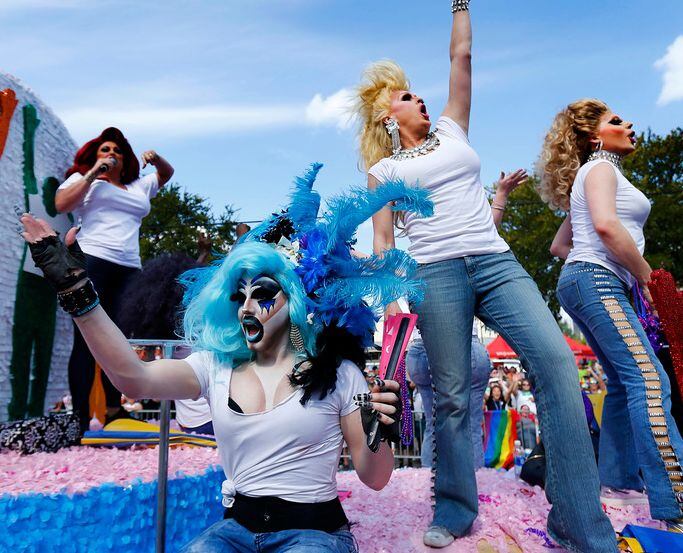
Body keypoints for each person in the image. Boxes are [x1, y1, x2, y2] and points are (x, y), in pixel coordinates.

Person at [19, 166, 430, 551]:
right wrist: (78, 295)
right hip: (235, 531)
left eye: (263, 293)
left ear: (295, 304)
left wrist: (380, 433)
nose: (248, 305)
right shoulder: (215, 366)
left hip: (314, 533)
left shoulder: (338, 375)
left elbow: (374, 479)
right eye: (240, 295)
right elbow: (134, 377)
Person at [354, 3, 616, 550]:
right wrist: (393, 307)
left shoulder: (452, 127)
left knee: (557, 363)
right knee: (451, 397)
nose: (417, 97)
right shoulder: (384, 171)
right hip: (436, 274)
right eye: (404, 96)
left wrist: (460, 7)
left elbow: (462, 55)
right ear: (386, 117)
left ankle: (578, 524)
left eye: (415, 91)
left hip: (495, 262)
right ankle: (454, 508)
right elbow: (383, 242)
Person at [538, 98, 683, 526]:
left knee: (623, 384)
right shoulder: (599, 169)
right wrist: (646, 278)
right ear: (595, 136)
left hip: (586, 279)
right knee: (649, 379)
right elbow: (604, 226)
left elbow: (559, 247)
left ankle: (618, 484)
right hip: (597, 280)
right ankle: (676, 500)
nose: (630, 124)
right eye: (616, 121)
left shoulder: (598, 174)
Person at [55, 127, 174, 433]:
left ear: (125, 160)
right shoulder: (85, 181)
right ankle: (78, 418)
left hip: (129, 268)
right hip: (92, 261)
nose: (111, 154)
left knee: (119, 342)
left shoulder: (138, 187)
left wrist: (156, 157)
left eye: (117, 151)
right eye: (105, 150)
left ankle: (113, 411)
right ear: (95, 155)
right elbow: (62, 204)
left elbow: (166, 172)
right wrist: (94, 173)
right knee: (86, 340)